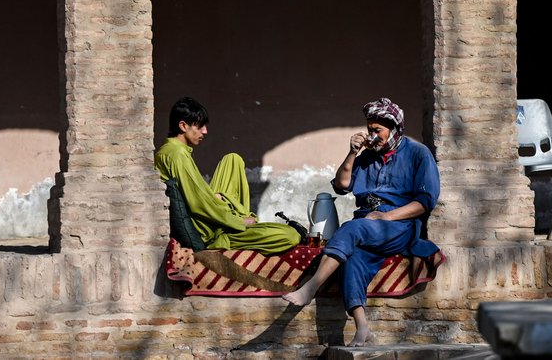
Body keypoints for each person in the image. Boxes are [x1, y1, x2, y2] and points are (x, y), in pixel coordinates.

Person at [282, 97, 443, 347]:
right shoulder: (367, 157)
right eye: (369, 130)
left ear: (394, 129)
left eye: (377, 130)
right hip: (368, 225)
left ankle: (311, 287)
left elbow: (424, 202)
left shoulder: (417, 153)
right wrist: (352, 152)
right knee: (353, 258)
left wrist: (386, 216)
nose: (372, 135)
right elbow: (342, 185)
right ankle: (362, 328)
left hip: (399, 225)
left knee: (352, 228)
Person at [154, 97, 301, 255]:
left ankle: (236, 215)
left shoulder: (169, 150)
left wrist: (213, 197)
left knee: (233, 160)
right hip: (211, 231)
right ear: (183, 126)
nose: (205, 131)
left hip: (210, 212)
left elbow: (196, 195)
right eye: (200, 126)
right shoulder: (177, 155)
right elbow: (198, 204)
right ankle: (238, 222)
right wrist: (239, 222)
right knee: (290, 235)